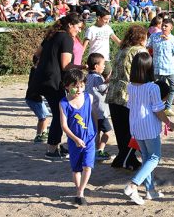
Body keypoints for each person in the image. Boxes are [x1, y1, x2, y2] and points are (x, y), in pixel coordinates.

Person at [122, 52, 174, 205]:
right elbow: (158, 110)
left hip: (136, 126)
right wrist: (168, 122)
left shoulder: (131, 86)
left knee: (146, 157)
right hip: (149, 127)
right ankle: (133, 185)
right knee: (154, 158)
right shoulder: (152, 88)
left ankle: (150, 190)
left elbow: (131, 105)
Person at [32, 13, 83, 160]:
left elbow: (36, 54)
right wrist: (83, 66)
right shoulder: (66, 38)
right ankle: (52, 148)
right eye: (78, 27)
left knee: (59, 113)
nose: (79, 31)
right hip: (53, 81)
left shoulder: (52, 35)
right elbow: (66, 65)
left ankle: (56, 144)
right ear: (70, 25)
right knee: (60, 115)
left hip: (42, 79)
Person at [106, 25, 149, 171]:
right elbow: (145, 73)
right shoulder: (140, 51)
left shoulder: (122, 50)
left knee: (121, 130)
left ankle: (124, 158)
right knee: (134, 130)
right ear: (141, 37)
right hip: (130, 94)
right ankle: (126, 159)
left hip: (113, 93)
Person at [59, 69, 96, 205]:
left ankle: (80, 192)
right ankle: (78, 190)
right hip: (74, 141)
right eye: (75, 86)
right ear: (67, 86)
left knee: (88, 166)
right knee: (76, 169)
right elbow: (64, 126)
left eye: (81, 86)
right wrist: (75, 139)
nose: (79, 89)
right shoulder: (63, 103)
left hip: (90, 139)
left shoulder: (89, 98)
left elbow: (93, 116)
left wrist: (96, 132)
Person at [147, 18, 174, 114]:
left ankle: (168, 107)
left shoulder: (173, 40)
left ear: (171, 28)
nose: (164, 27)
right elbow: (146, 47)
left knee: (173, 86)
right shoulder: (154, 36)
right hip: (157, 69)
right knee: (157, 89)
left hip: (169, 69)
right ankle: (157, 107)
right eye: (163, 25)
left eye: (166, 26)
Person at [85, 53, 112, 161]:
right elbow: (104, 89)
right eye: (103, 64)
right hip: (100, 111)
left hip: (91, 110)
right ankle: (99, 150)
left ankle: (95, 151)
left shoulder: (88, 76)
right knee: (107, 132)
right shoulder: (97, 77)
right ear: (96, 66)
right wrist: (109, 80)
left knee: (96, 131)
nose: (104, 66)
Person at [83, 8, 121, 76]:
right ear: (98, 18)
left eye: (108, 19)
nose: (107, 21)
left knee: (107, 80)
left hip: (105, 60)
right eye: (105, 19)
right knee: (93, 81)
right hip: (94, 61)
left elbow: (118, 41)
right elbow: (84, 47)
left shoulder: (108, 28)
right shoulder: (91, 30)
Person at [26, 57, 51, 143]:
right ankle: (38, 135)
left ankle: (43, 132)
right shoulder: (36, 71)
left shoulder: (35, 70)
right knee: (42, 117)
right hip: (33, 98)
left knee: (45, 115)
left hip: (35, 98)